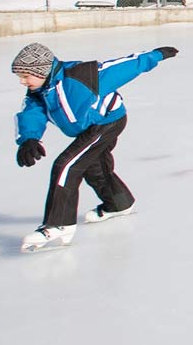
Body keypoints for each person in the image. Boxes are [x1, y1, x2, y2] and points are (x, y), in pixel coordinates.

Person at [10, 41, 177, 252]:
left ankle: (58, 224)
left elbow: (122, 67)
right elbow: (31, 114)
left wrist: (156, 55)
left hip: (107, 121)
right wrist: (29, 139)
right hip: (87, 127)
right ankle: (119, 203)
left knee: (67, 165)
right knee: (93, 166)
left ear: (41, 70)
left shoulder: (81, 77)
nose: (22, 82)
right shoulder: (39, 92)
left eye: (26, 76)